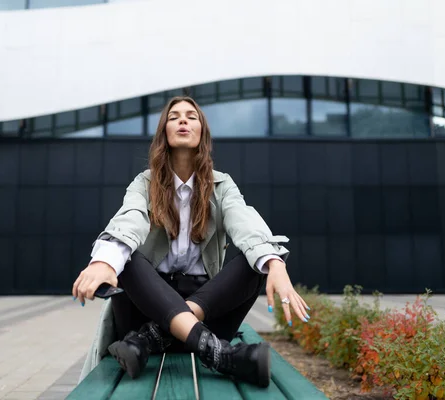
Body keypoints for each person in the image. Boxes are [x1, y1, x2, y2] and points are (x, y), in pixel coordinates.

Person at [72, 96, 310, 388]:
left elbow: (243, 220)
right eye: (174, 117)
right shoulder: (144, 184)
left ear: (202, 133)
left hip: (201, 316)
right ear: (164, 133)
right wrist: (104, 261)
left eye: (191, 116)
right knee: (128, 258)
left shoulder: (222, 185)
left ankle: (153, 337)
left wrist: (275, 264)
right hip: (147, 307)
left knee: (253, 264)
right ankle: (220, 355)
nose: (183, 120)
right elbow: (129, 218)